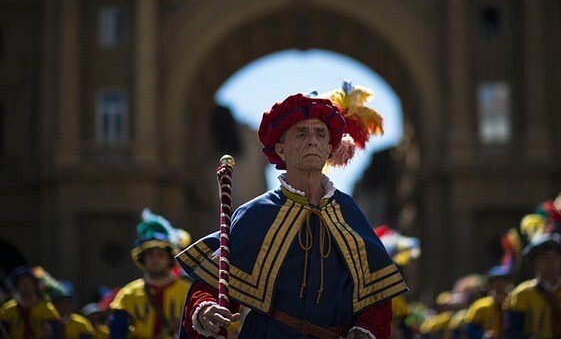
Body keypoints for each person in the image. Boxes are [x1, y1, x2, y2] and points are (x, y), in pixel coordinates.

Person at [177, 83, 408, 339]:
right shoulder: (256, 213)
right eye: (301, 134)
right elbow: (211, 284)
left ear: (330, 148)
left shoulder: (348, 211)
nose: (312, 140)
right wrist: (206, 309)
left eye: (321, 134)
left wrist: (366, 330)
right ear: (281, 150)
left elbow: (376, 293)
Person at [503, 201, 561, 339]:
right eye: (545, 258)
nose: (551, 262)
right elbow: (511, 332)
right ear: (534, 264)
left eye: (555, 257)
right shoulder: (520, 296)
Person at [108, 209, 191, 339]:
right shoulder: (128, 293)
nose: (155, 259)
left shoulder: (188, 292)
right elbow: (117, 332)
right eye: (150, 255)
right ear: (143, 259)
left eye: (160, 255)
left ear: (169, 258)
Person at [0, 266, 61, 339]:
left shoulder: (47, 309)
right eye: (23, 283)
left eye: (29, 283)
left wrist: (49, 335)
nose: (26, 286)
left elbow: (57, 334)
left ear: (35, 285)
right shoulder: (7, 309)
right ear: (17, 285)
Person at [464, 266, 512, 339]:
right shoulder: (480, 306)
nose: (500, 284)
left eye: (503, 281)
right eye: (496, 281)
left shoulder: (513, 303)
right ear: (490, 284)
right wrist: (482, 335)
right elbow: (470, 329)